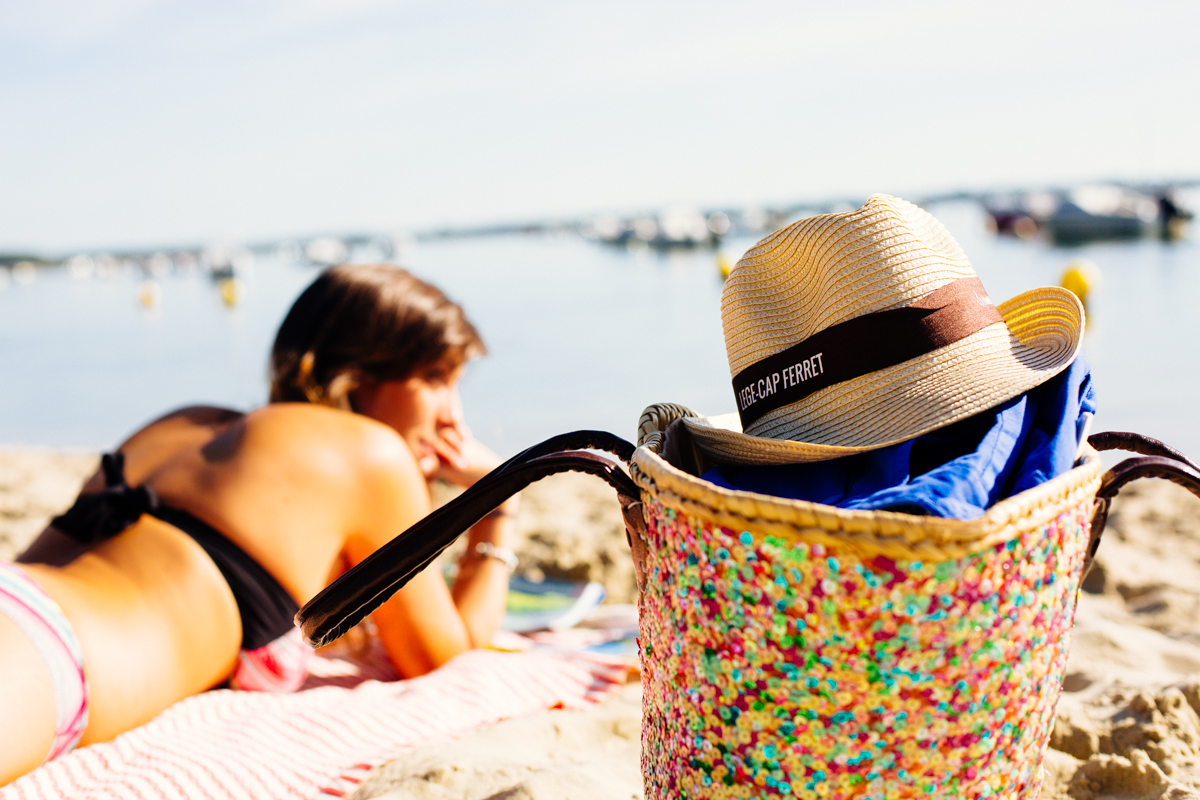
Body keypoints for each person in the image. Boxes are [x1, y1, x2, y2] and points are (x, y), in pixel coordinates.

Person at [0, 263, 518, 784]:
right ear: (357, 371)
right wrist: (497, 502)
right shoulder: (369, 453)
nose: (452, 415)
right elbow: (445, 658)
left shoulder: (182, 423)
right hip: (51, 650)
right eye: (434, 378)